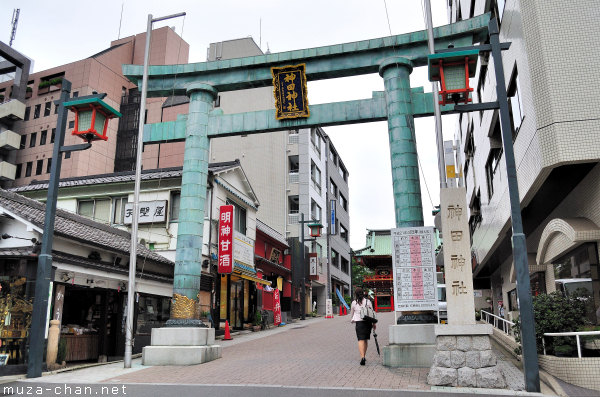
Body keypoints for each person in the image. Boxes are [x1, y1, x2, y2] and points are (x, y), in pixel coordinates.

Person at [349, 287, 376, 365]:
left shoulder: (354, 302)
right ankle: (364, 355)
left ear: (355, 294)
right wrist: (374, 323)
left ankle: (362, 357)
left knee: (360, 340)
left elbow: (352, 313)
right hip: (367, 322)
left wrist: (352, 319)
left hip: (359, 323)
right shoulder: (368, 301)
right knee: (365, 340)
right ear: (363, 293)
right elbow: (372, 312)